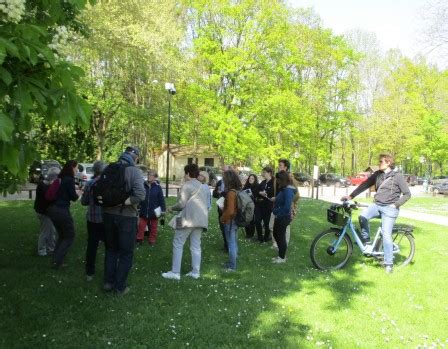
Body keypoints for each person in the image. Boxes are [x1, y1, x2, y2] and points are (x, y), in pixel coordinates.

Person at [342, 153, 411, 273]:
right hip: (377, 205)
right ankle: (367, 241)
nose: (379, 163)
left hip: (390, 209)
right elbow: (364, 185)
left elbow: (407, 194)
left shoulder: (397, 176)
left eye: (381, 162)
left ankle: (389, 264)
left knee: (386, 235)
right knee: (362, 216)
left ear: (388, 163)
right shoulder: (377, 175)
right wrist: (350, 196)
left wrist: (395, 204)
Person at [102, 146, 146, 294]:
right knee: (126, 253)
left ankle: (108, 282)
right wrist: (123, 202)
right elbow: (140, 195)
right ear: (136, 158)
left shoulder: (109, 167)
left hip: (108, 214)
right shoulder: (134, 171)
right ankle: (120, 287)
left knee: (111, 249)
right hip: (126, 217)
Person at [162, 164, 209, 280]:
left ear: (188, 173)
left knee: (178, 243)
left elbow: (181, 204)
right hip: (201, 220)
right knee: (196, 246)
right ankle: (195, 272)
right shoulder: (204, 187)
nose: (184, 175)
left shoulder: (186, 185)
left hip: (186, 219)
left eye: (185, 173)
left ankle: (175, 272)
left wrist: (170, 208)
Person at [47, 160, 81, 269]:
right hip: (61, 210)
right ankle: (57, 261)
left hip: (53, 209)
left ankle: (56, 259)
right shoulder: (69, 179)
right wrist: (78, 194)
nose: (77, 170)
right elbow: (73, 197)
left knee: (62, 235)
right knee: (70, 236)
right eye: (76, 167)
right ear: (72, 168)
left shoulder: (61, 178)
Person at [81, 160, 106, 281]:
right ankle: (109, 270)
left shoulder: (89, 184)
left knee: (92, 245)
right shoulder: (109, 183)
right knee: (109, 245)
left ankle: (89, 273)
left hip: (92, 219)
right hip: (107, 219)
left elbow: (84, 201)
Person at [34, 167, 60, 256]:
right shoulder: (44, 185)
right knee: (45, 231)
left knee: (52, 231)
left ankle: (51, 249)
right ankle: (42, 250)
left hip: (47, 212)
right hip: (44, 212)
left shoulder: (46, 184)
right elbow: (48, 199)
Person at [220, 170, 242, 271]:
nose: (223, 179)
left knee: (231, 244)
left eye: (224, 178)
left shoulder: (231, 193)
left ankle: (232, 266)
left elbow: (230, 210)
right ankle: (233, 260)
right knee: (234, 242)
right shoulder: (237, 190)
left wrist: (223, 218)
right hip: (236, 220)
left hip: (230, 221)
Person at [136, 170, 166, 246]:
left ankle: (152, 240)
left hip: (154, 210)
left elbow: (161, 199)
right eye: (149, 174)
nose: (149, 176)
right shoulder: (143, 185)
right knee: (141, 225)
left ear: (155, 177)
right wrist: (138, 206)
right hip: (144, 209)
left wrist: (163, 209)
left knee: (153, 226)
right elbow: (139, 196)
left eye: (152, 175)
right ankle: (139, 239)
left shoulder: (158, 187)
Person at [271, 171, 296, 263]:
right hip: (279, 216)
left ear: (283, 180)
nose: (277, 181)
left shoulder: (288, 190)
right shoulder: (284, 189)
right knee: (275, 234)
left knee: (280, 236)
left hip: (283, 217)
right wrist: (276, 199)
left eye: (278, 179)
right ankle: (281, 254)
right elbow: (281, 200)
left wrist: (276, 211)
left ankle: (282, 258)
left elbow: (286, 207)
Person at [212, 165, 232, 251]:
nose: (223, 172)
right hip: (220, 207)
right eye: (222, 171)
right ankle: (226, 245)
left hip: (229, 208)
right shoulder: (220, 182)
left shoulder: (232, 182)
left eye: (225, 171)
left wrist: (223, 192)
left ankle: (230, 246)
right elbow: (214, 194)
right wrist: (217, 192)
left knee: (229, 228)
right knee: (222, 227)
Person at [254, 166, 275, 242]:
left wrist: (266, 193)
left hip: (268, 205)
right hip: (260, 205)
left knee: (266, 223)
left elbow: (272, 192)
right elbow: (256, 190)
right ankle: (260, 237)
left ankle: (266, 237)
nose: (263, 174)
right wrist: (260, 192)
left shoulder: (273, 182)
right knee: (257, 220)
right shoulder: (263, 182)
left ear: (269, 173)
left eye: (264, 172)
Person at [242, 174, 259, 239]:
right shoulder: (246, 186)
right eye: (249, 178)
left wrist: (251, 195)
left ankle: (251, 234)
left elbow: (256, 198)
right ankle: (247, 233)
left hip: (253, 205)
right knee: (246, 219)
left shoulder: (257, 186)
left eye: (252, 179)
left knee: (251, 220)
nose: (250, 180)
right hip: (246, 205)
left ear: (255, 180)